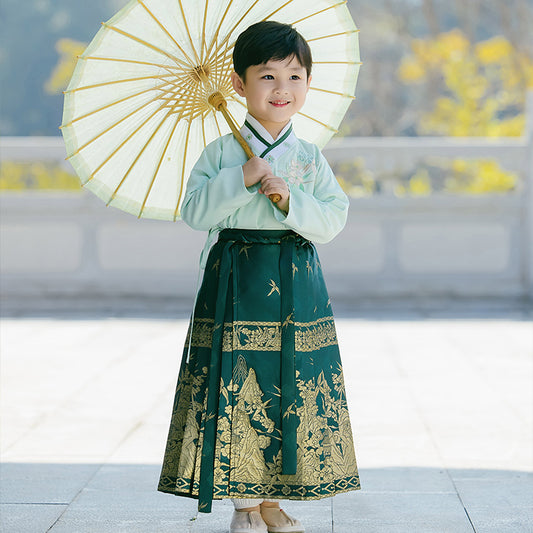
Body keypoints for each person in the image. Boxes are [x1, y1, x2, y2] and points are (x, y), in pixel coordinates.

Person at [158, 20, 360, 533]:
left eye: (295, 76)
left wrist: (291, 200)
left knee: (287, 383)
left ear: (308, 84)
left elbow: (333, 218)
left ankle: (273, 497)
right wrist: (241, 179)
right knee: (238, 381)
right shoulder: (222, 154)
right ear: (239, 83)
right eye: (267, 76)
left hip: (295, 280)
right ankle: (245, 503)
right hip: (237, 280)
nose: (282, 89)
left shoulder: (309, 157)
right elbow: (196, 212)